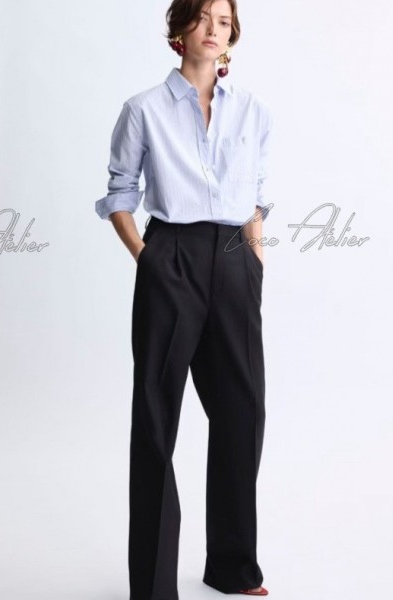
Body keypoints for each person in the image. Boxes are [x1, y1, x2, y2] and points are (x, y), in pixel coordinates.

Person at [95, 1, 273, 598]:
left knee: (242, 414)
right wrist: (147, 256)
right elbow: (120, 193)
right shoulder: (143, 109)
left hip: (235, 259)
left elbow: (257, 193)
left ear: (232, 35)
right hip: (171, 256)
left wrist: (256, 259)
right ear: (179, 31)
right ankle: (152, 586)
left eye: (223, 21)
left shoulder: (253, 110)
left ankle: (232, 567)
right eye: (202, 18)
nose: (213, 29)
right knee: (156, 418)